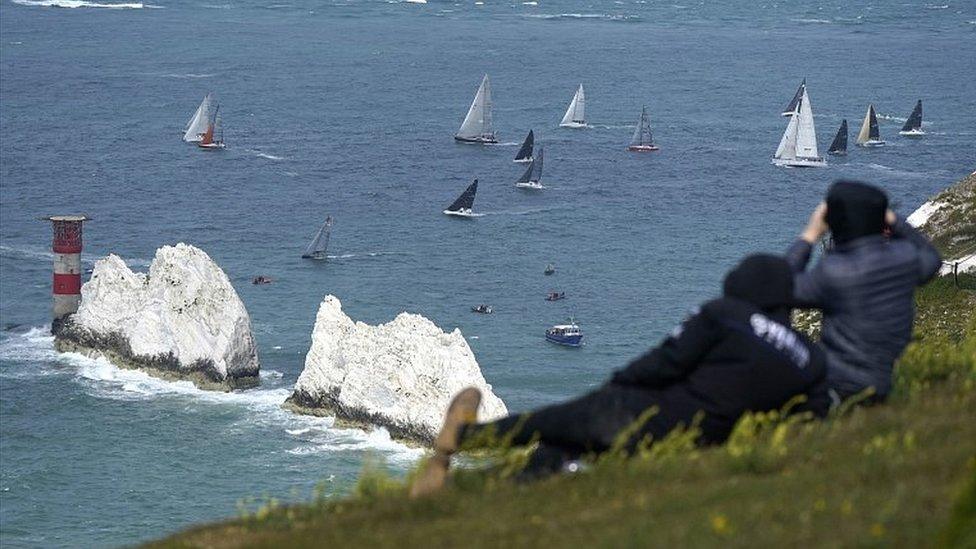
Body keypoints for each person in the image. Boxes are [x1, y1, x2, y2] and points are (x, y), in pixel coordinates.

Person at [410, 254, 828, 498]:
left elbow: (666, 362)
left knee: (551, 424)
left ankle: (459, 441)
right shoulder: (809, 358)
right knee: (557, 452)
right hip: (700, 448)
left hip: (644, 415)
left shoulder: (727, 314)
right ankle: (467, 495)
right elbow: (812, 413)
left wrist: (616, 385)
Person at [786, 180, 942, 404]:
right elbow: (932, 258)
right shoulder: (904, 258)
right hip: (884, 383)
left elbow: (783, 286)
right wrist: (893, 219)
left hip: (834, 385)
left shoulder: (833, 272)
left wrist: (809, 235)